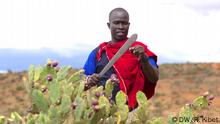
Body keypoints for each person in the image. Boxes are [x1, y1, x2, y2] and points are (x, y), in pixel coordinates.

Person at [83, 7, 159, 110]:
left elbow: (154, 77)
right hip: (102, 111)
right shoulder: (99, 52)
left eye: (124, 23)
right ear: (109, 25)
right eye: (116, 23)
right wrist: (89, 80)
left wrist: (144, 58)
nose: (121, 27)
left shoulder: (140, 50)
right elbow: (82, 80)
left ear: (129, 25)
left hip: (130, 111)